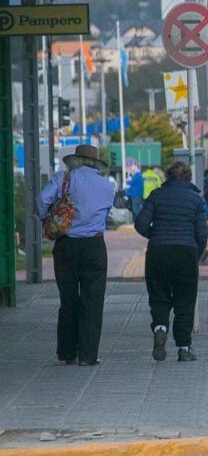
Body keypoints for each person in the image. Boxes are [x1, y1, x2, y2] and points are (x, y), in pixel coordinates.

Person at [37, 144, 116, 366]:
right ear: (95, 162)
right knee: (93, 301)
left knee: (68, 299)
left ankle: (67, 352)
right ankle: (88, 356)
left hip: (66, 245)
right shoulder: (107, 186)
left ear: (76, 160)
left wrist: (46, 220)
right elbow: (105, 212)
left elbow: (42, 199)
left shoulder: (65, 179)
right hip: (94, 247)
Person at [135, 160, 207, 362]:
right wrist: (196, 253)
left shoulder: (157, 195)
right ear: (188, 177)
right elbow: (202, 233)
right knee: (185, 300)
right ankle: (184, 348)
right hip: (186, 253)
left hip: (158, 252)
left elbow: (140, 223)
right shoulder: (196, 200)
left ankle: (160, 328)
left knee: (159, 296)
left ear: (167, 176)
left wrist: (155, 235)